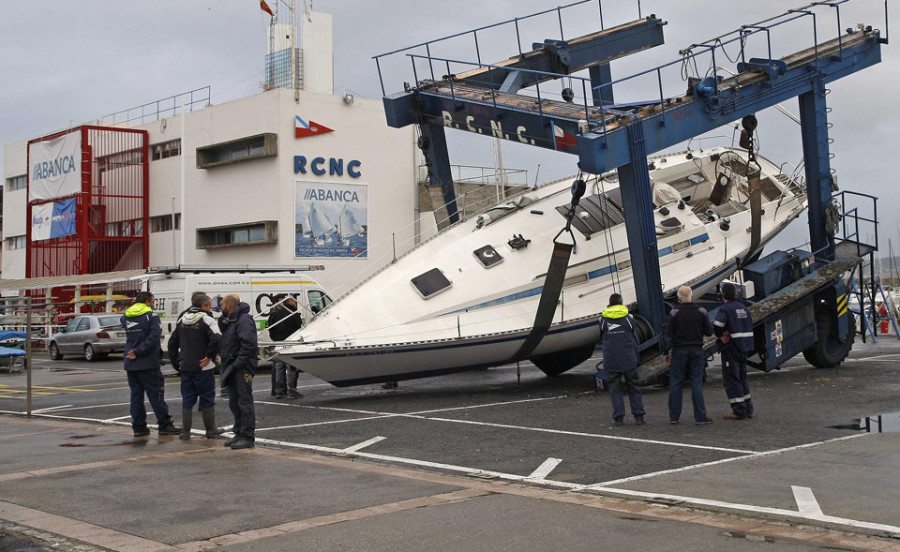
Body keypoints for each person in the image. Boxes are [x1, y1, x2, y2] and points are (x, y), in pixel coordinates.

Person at [122, 291, 180, 437]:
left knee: (136, 396)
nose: (154, 304)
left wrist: (134, 351)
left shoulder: (126, 317)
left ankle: (139, 426)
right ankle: (165, 424)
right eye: (153, 301)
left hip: (130, 362)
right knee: (156, 395)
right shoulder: (151, 317)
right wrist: (139, 351)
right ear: (147, 301)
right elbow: (154, 337)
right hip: (147, 362)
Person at [168, 293, 224, 439]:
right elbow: (217, 338)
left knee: (187, 398)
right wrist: (209, 356)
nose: (211, 307)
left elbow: (172, 343)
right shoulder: (207, 319)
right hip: (203, 367)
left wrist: (177, 361)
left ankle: (186, 432)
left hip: (186, 366)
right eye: (209, 305)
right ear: (204, 306)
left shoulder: (182, 319)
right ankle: (210, 430)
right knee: (207, 397)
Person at [664, 286, 714, 425]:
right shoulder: (701, 311)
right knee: (696, 383)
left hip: (679, 351)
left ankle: (674, 416)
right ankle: (700, 416)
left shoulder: (674, 313)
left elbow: (668, 334)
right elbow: (709, 332)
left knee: (676, 383)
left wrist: (666, 352)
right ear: (692, 297)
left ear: (679, 299)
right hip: (697, 350)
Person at [598, 293, 645, 426]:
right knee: (634, 386)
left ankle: (618, 417)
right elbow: (633, 332)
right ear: (621, 302)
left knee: (615, 388)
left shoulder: (602, 320)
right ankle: (638, 416)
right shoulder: (629, 318)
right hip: (628, 357)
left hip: (611, 358)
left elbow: (601, 336)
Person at [219, 294, 257, 450]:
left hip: (241, 367)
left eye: (222, 305)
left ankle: (247, 436)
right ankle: (239, 432)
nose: (220, 308)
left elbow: (248, 344)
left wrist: (238, 363)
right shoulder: (232, 321)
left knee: (244, 401)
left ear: (229, 305)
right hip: (232, 366)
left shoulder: (244, 320)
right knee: (234, 402)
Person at [714, 283, 755, 420]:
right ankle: (748, 408)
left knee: (732, 379)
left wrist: (720, 335)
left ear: (723, 295)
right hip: (745, 347)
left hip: (731, 348)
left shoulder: (725, 309)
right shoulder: (744, 309)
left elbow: (717, 325)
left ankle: (739, 410)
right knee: (742, 379)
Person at [267, 296, 304, 399]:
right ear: (291, 302)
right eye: (294, 301)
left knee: (279, 368)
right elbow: (298, 328)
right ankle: (291, 391)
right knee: (291, 369)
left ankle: (279, 391)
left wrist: (275, 339)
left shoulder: (274, 314)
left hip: (278, 343)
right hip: (290, 343)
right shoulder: (293, 314)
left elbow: (270, 329)